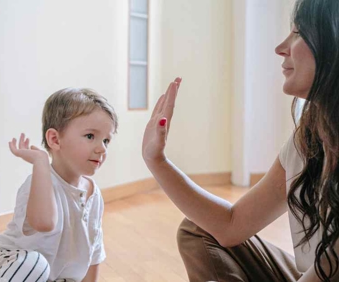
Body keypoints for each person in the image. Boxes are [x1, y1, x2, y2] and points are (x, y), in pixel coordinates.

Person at [142, 0, 339, 281]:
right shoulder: (307, 138)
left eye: (297, 33)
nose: (280, 48)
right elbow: (231, 225)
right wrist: (156, 160)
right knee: (199, 229)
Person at [0, 88, 118, 282]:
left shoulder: (94, 194)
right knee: (35, 265)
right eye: (90, 136)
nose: (102, 149)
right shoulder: (39, 181)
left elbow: (94, 250)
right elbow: (44, 222)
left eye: (106, 140)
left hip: (49, 276)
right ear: (55, 140)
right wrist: (40, 161)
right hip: (6, 268)